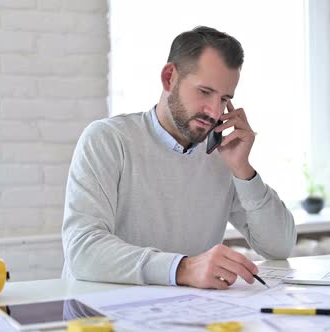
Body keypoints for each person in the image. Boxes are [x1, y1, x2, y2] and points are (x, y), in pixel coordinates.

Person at [61, 26, 296, 289]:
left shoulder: (222, 154)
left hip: (184, 312)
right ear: (169, 77)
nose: (213, 111)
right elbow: (82, 250)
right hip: (103, 314)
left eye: (224, 99)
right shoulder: (107, 139)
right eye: (205, 92)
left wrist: (243, 170)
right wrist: (182, 268)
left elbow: (280, 247)